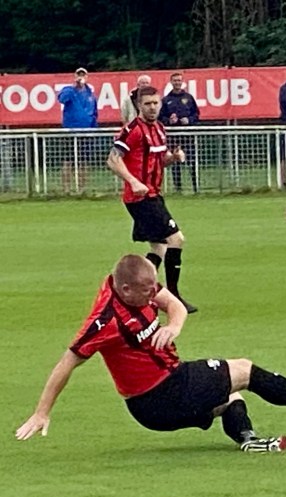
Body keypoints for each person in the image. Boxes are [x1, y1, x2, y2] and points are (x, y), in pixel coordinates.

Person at [15, 255, 286, 452]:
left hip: (166, 391)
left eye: (153, 288)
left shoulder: (136, 285)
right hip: (157, 395)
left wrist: (174, 326)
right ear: (125, 289)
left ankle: (248, 440)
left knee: (231, 396)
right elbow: (67, 362)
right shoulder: (105, 321)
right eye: (146, 292)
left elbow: (175, 306)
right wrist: (42, 412)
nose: (152, 295)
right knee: (242, 369)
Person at [107, 86, 198, 314]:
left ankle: (135, 295)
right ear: (139, 105)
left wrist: (173, 158)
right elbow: (113, 159)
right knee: (176, 239)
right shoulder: (133, 130)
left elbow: (158, 161)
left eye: (155, 103)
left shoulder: (159, 128)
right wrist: (133, 181)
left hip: (154, 195)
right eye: (147, 103)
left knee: (159, 247)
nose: (152, 107)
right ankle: (173, 297)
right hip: (141, 198)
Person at [57, 67, 99, 194]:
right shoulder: (69, 90)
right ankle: (66, 190)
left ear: (87, 77)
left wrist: (93, 129)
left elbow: (94, 113)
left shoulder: (90, 95)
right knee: (68, 161)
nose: (81, 78)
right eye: (78, 75)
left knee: (84, 162)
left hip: (86, 132)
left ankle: (82, 190)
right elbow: (62, 99)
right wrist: (74, 87)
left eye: (83, 75)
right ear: (75, 76)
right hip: (70, 131)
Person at [159, 71, 201, 194]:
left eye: (179, 80)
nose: (177, 83)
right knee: (175, 162)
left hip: (188, 135)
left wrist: (189, 120)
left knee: (192, 161)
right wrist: (169, 121)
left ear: (182, 82)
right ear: (171, 82)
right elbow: (160, 118)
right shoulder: (166, 100)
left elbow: (196, 114)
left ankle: (196, 188)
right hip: (174, 136)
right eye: (175, 80)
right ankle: (178, 189)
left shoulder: (189, 98)